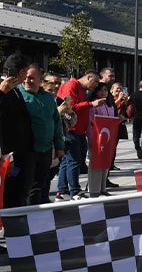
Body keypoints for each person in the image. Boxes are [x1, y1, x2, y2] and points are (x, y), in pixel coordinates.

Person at [20, 65, 65, 205]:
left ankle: (35, 216)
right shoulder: (17, 95)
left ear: (40, 79)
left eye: (32, 78)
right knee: (24, 188)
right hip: (26, 151)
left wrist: (59, 146)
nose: (27, 80)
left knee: (39, 186)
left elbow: (57, 123)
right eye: (25, 77)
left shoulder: (47, 98)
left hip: (45, 150)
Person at [57, 70, 100, 199]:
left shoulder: (79, 88)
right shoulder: (71, 85)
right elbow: (70, 107)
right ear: (89, 77)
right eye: (96, 81)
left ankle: (62, 190)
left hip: (78, 130)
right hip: (72, 130)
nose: (96, 85)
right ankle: (74, 190)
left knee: (68, 161)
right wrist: (91, 104)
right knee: (74, 161)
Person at [1, 53, 35, 207]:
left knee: (20, 194)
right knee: (11, 195)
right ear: (20, 72)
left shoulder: (15, 90)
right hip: (10, 155)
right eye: (26, 72)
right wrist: (7, 156)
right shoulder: (4, 90)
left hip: (23, 153)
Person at [86, 83, 117, 197]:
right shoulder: (93, 106)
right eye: (100, 90)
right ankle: (94, 189)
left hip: (107, 139)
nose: (103, 92)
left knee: (105, 163)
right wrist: (92, 137)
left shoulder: (109, 106)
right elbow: (90, 123)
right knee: (95, 164)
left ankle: (102, 188)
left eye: (105, 90)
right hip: (96, 139)